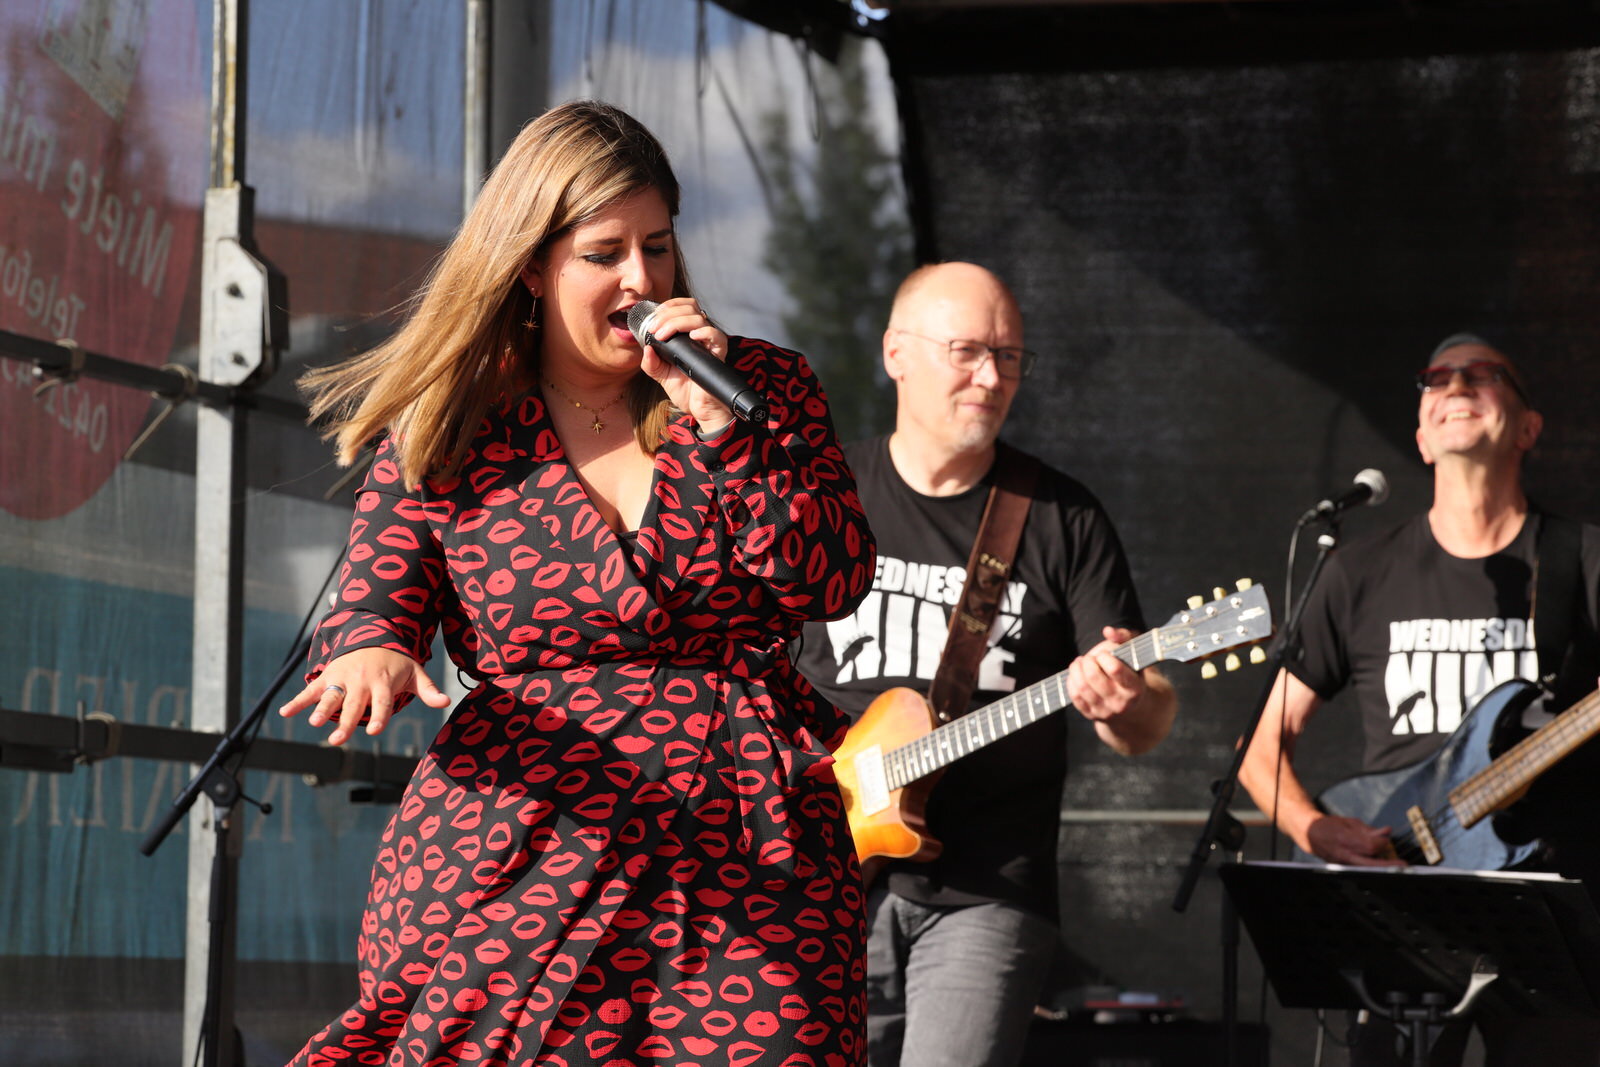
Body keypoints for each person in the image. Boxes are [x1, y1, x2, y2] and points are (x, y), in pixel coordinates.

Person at [277, 100, 876, 1067]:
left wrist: (726, 433)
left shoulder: (759, 387)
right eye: (605, 253)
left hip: (747, 829)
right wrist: (371, 649)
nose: (642, 279)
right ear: (531, 264)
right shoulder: (452, 422)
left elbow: (832, 575)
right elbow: (378, 586)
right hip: (531, 834)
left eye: (658, 247)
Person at [792, 261, 1178, 1067]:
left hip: (988, 888)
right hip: (814, 869)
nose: (992, 377)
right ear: (896, 353)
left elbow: (1146, 719)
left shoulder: (1061, 517)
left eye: (1009, 357)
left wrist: (1125, 701)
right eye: (967, 351)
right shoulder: (826, 492)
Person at [1237, 334, 1600, 1065]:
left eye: (1484, 374)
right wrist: (1313, 828)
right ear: (1422, 440)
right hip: (1401, 900)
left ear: (1529, 428)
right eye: (1436, 378)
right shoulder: (1358, 571)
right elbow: (1259, 746)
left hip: (1548, 898)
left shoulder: (1583, 558)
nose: (1456, 384)